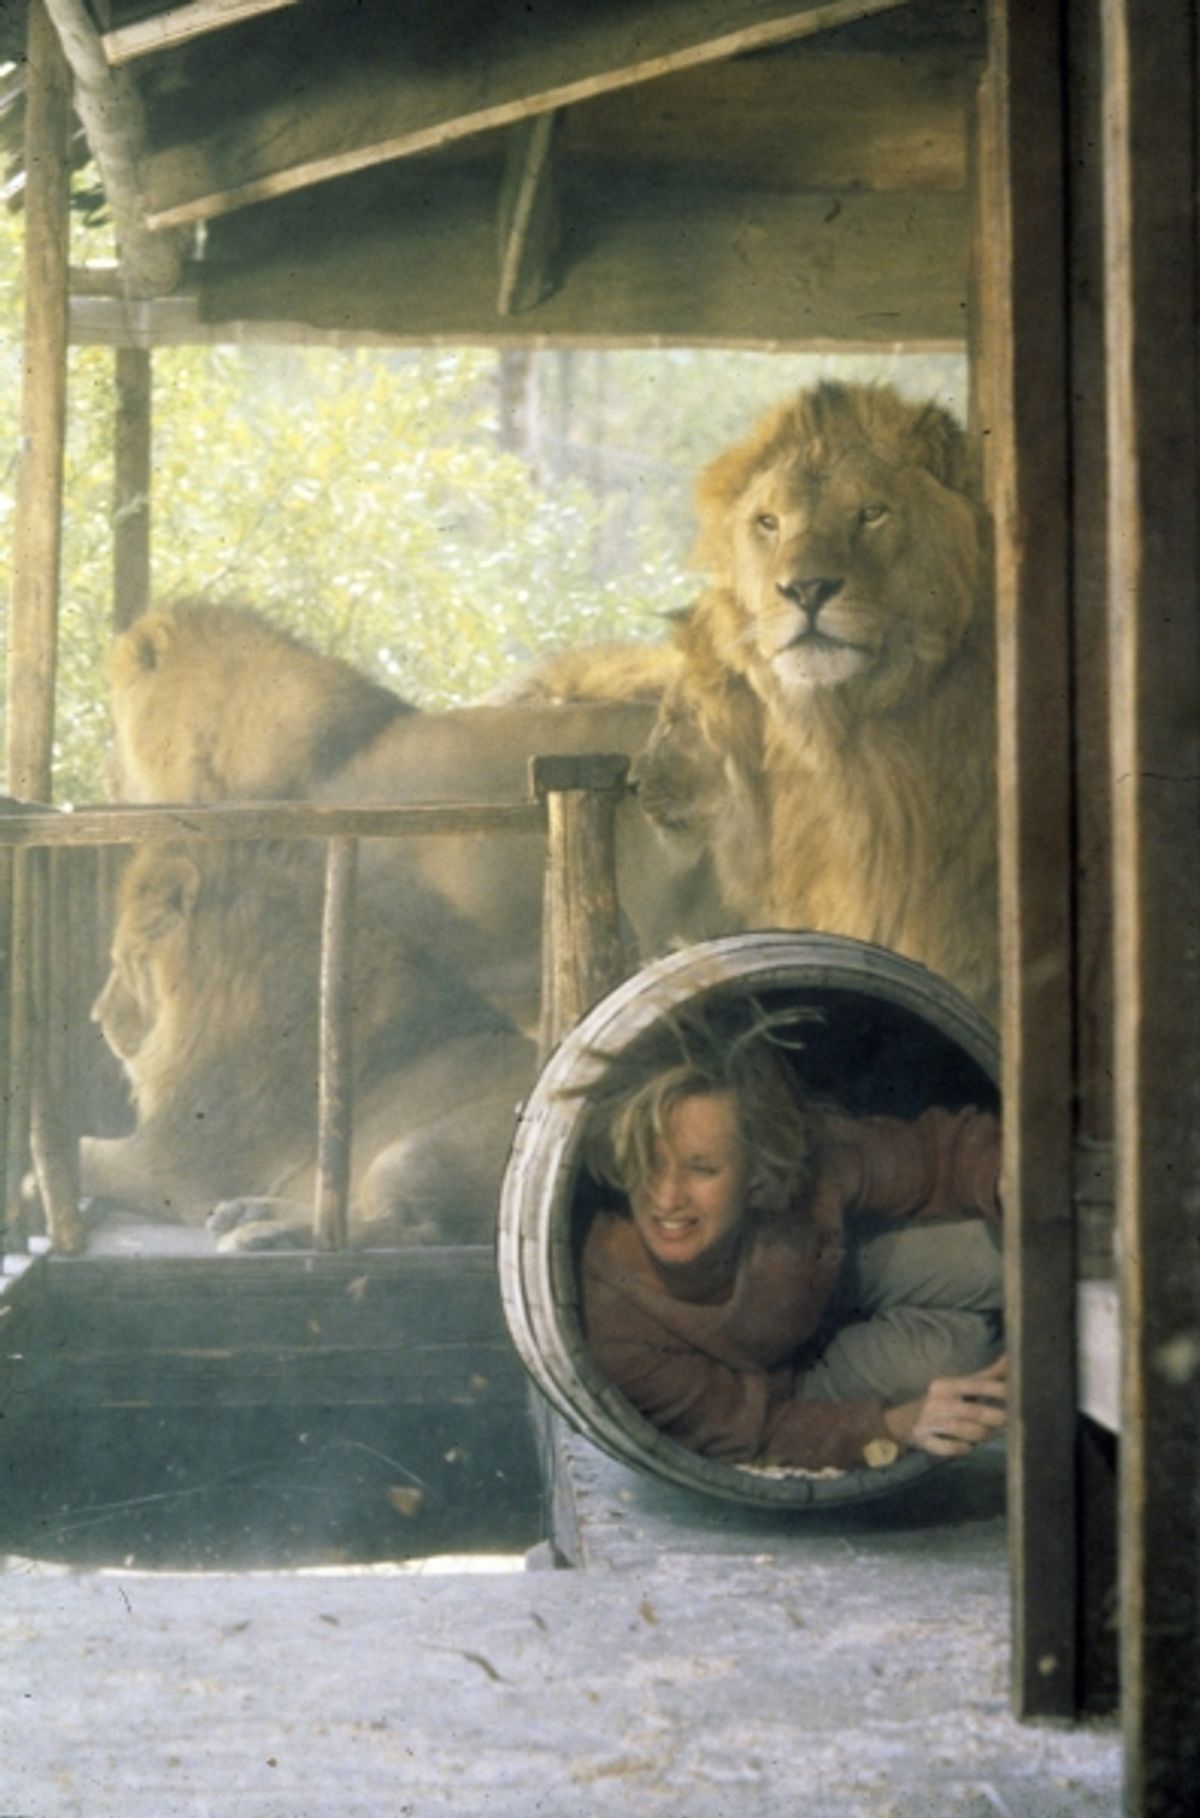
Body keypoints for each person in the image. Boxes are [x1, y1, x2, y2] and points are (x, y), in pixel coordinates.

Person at [577, 1002, 1007, 1475]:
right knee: (962, 1357)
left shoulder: (801, 1167)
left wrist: (1006, 1175)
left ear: (758, 1173)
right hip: (788, 1396)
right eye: (648, 1161)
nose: (665, 1197)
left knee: (999, 1255)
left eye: (702, 1169)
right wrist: (891, 1427)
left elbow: (933, 1153)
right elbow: (757, 1434)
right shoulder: (619, 1322)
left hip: (829, 1274)